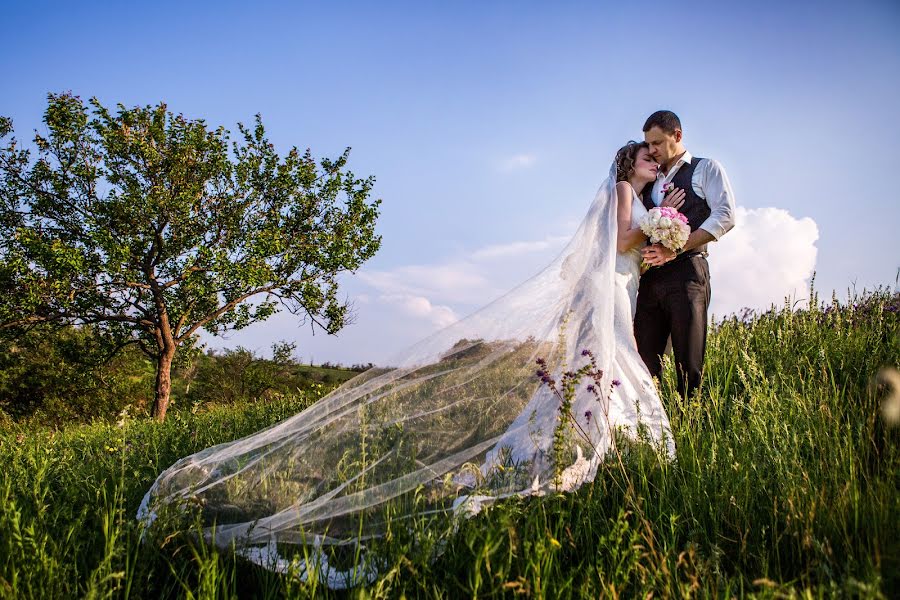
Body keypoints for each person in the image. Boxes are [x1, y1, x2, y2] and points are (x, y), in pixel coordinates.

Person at [138, 141, 679, 588]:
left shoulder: (633, 189)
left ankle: (602, 437)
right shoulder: (625, 190)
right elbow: (624, 238)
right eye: (649, 159)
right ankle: (613, 441)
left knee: (606, 363)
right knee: (612, 360)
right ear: (630, 163)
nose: (655, 164)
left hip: (620, 289)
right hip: (612, 287)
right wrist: (662, 228)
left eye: (658, 159)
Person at [636, 111, 736, 399]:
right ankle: (651, 429)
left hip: (688, 274)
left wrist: (676, 248)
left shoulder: (706, 169)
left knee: (688, 362)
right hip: (650, 282)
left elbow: (726, 216)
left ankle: (690, 427)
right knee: (645, 361)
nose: (651, 150)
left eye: (656, 143)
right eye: (648, 144)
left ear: (677, 136)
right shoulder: (649, 180)